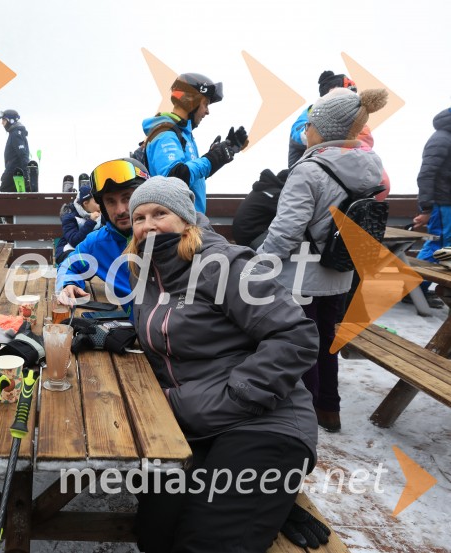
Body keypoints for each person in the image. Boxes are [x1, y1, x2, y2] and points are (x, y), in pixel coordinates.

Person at [126, 176, 318, 553]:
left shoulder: (226, 264)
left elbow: (296, 336)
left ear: (186, 219)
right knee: (153, 530)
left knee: (206, 542)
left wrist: (239, 396)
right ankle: (267, 501)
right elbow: (174, 338)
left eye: (160, 213)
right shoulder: (149, 273)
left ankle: (264, 496)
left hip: (262, 421)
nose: (148, 225)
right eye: (139, 217)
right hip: (197, 423)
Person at [258, 88, 389, 433]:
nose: (306, 130)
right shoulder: (370, 167)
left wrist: (258, 265)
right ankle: (329, 408)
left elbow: (286, 231)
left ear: (325, 129)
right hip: (340, 270)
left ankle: (305, 413)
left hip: (302, 276)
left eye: (310, 123)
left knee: (302, 344)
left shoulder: (309, 171)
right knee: (327, 340)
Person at [142, 72, 248, 213]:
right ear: (190, 102)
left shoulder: (184, 135)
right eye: (205, 104)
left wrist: (219, 157)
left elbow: (192, 179)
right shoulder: (166, 134)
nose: (207, 111)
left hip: (189, 222)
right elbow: (176, 177)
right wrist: (212, 157)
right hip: (176, 226)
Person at [287, 71, 392, 202]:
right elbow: (299, 134)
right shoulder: (313, 113)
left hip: (320, 190)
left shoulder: (357, 128)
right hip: (312, 184)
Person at [56, 158, 147, 308]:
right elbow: (68, 265)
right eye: (111, 201)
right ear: (103, 207)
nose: (120, 210)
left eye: (128, 198)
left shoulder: (168, 235)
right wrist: (68, 284)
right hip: (137, 325)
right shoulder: (98, 243)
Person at [413, 107, 451, 294]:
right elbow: (426, 174)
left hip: (446, 204)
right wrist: (426, 209)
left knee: (444, 247)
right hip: (442, 204)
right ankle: (415, 291)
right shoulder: (442, 139)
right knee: (438, 246)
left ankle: (419, 289)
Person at [231, 168, 289, 249]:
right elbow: (290, 215)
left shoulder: (265, 188)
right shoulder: (274, 194)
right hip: (252, 241)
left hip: (244, 238)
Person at [54, 184, 101, 264]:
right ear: (86, 203)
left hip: (89, 250)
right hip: (68, 252)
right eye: (96, 201)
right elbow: (74, 241)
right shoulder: (69, 217)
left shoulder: (100, 214)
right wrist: (91, 222)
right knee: (82, 261)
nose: (100, 204)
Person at [0, 109, 30, 192]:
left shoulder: (15, 134)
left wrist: (26, 174)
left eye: (4, 120)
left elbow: (23, 154)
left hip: (14, 173)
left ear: (11, 121)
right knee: (9, 200)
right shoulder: (14, 133)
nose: (2, 123)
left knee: (0, 199)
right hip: (12, 172)